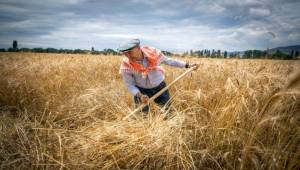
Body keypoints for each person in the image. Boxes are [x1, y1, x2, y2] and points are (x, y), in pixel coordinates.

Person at [118, 39, 198, 116]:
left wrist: (187, 65)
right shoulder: (126, 64)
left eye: (130, 52)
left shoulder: (153, 53)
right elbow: (129, 84)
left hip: (160, 88)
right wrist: (140, 95)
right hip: (141, 91)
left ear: (138, 48)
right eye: (124, 53)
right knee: (142, 116)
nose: (127, 55)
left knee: (167, 112)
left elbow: (168, 61)